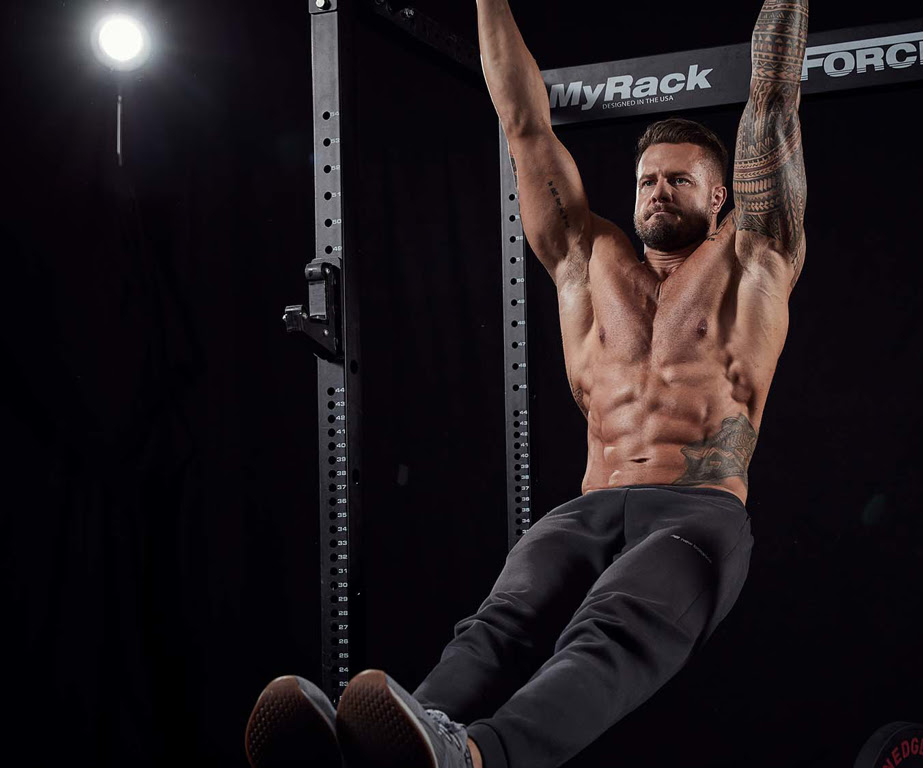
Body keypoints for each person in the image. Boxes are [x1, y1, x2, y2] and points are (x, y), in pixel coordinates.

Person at [244, 1, 808, 766]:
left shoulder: (754, 259)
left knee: (609, 627)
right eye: (648, 179)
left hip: (697, 510)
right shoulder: (587, 258)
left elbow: (772, 99)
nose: (657, 191)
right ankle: (384, 750)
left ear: (720, 198)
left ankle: (476, 758)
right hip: (590, 503)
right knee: (497, 623)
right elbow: (522, 121)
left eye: (680, 180)